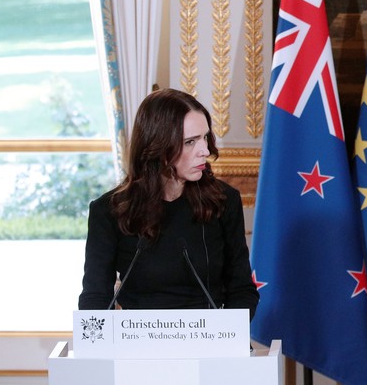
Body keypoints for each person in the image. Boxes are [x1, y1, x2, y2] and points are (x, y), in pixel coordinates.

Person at [78, 88, 259, 316]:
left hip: (210, 341)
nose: (204, 150)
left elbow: (242, 289)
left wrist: (230, 335)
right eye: (190, 142)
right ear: (158, 147)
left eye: (205, 137)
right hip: (137, 343)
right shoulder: (109, 211)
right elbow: (95, 298)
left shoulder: (223, 201)